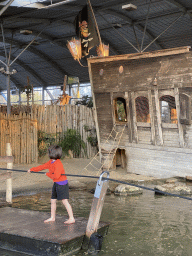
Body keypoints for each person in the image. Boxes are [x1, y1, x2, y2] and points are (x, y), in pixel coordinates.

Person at [28, 145, 75, 224]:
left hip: (62, 184)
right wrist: (32, 170)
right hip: (56, 183)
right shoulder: (51, 162)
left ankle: (72, 218)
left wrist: (47, 174)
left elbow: (56, 176)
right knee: (53, 200)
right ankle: (52, 217)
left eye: (49, 152)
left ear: (52, 153)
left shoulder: (58, 164)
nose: (48, 153)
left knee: (65, 201)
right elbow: (42, 167)